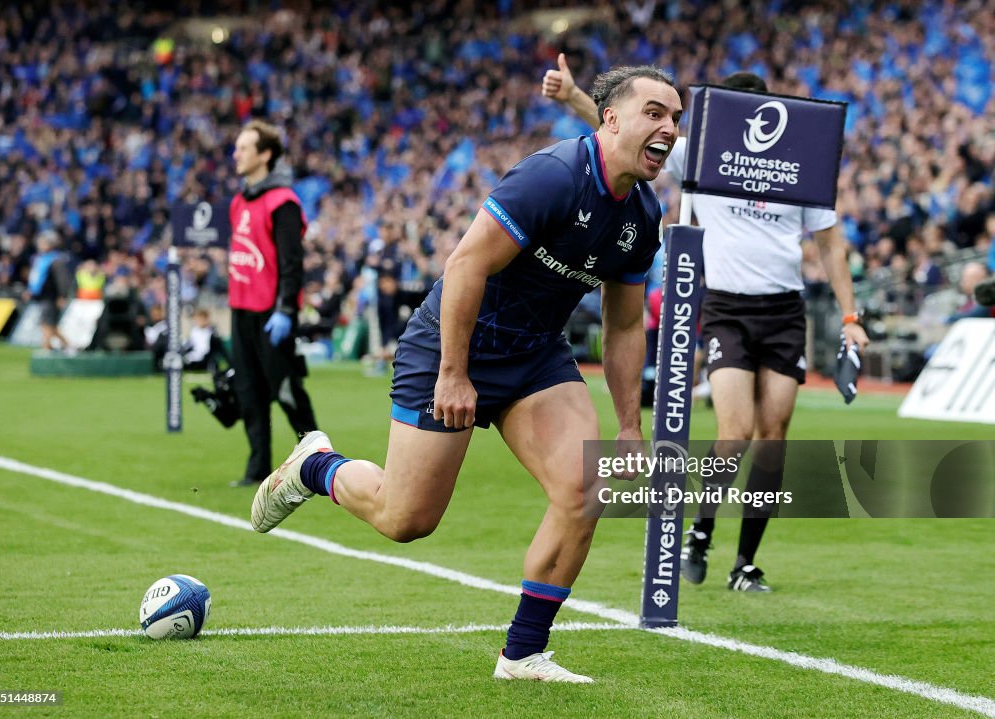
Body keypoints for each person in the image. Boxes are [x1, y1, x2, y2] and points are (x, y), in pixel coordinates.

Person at [251, 66, 682, 681]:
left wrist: (629, 425)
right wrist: (454, 373)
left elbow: (622, 327)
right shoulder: (553, 175)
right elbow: (465, 264)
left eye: (675, 118)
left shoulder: (643, 214)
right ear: (611, 117)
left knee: (584, 488)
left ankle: (523, 653)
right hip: (451, 344)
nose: (668, 128)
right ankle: (315, 466)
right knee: (406, 521)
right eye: (655, 113)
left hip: (535, 357)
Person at [542, 54, 869, 592]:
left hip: (785, 310)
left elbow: (830, 245)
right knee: (736, 432)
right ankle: (702, 529)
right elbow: (618, 131)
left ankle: (745, 564)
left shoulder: (801, 166)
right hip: (725, 307)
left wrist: (852, 316)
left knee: (774, 438)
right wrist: (573, 95)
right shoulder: (702, 155)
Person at [228, 120, 319, 488]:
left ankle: (318, 462)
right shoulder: (238, 202)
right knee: (249, 392)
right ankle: (257, 469)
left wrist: (285, 309)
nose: (237, 154)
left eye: (244, 148)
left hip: (272, 313)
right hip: (241, 310)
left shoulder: (283, 202)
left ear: (265, 155)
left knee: (285, 389)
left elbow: (291, 262)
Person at [23, 230, 74, 352]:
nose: (40, 245)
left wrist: (62, 296)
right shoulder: (41, 259)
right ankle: (66, 347)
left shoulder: (56, 260)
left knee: (46, 323)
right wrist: (30, 291)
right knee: (51, 325)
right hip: (42, 296)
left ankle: (47, 348)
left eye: (43, 243)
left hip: (51, 296)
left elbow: (63, 280)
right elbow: (37, 278)